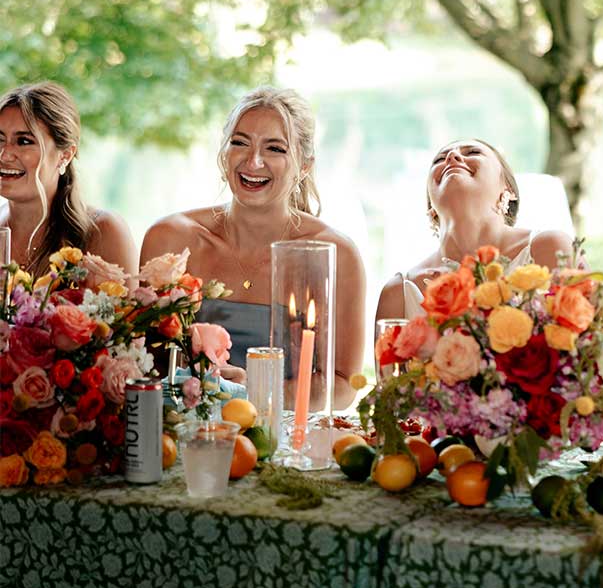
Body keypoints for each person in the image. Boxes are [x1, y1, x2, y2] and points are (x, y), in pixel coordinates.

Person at [141, 87, 365, 408]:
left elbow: (342, 386)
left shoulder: (335, 253)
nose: (253, 160)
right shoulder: (170, 239)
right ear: (224, 154)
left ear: (304, 166)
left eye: (274, 148)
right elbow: (147, 364)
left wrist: (256, 390)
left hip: (285, 441)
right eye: (239, 143)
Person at [376, 139, 573, 321]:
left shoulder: (549, 249)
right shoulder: (398, 295)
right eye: (439, 160)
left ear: (509, 189)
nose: (453, 157)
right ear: (431, 206)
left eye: (473, 152)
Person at [0, 82, 137, 276]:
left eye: (23, 141)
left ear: (65, 155)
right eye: (0, 139)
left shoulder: (103, 232)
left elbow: (129, 306)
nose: (4, 155)